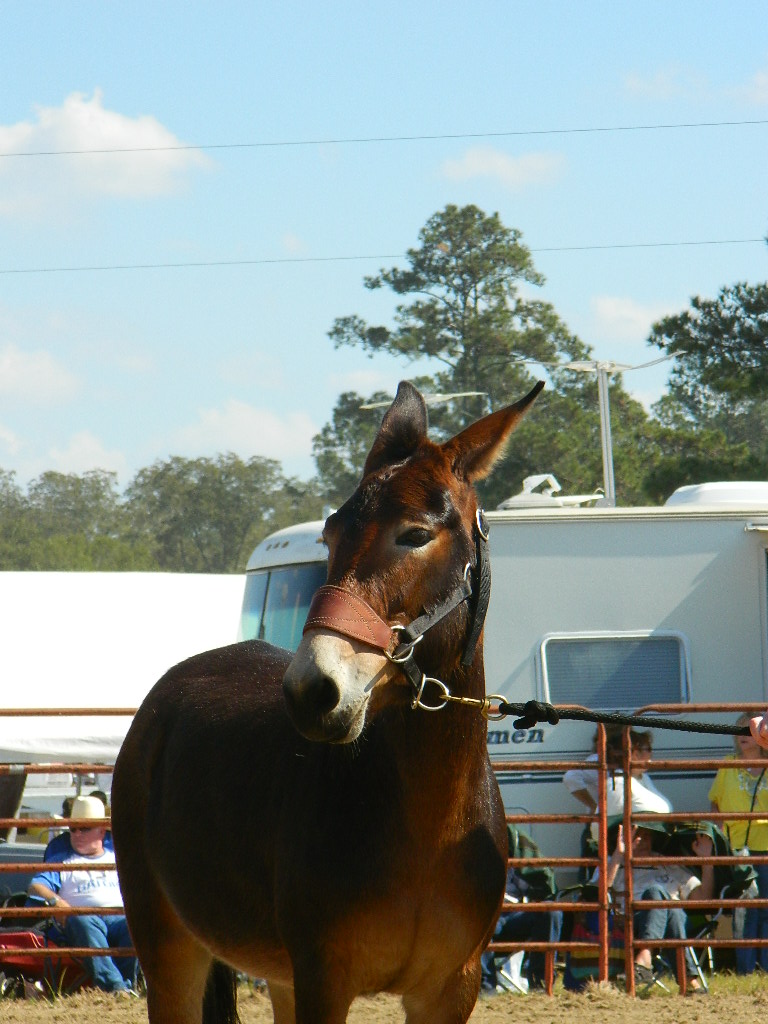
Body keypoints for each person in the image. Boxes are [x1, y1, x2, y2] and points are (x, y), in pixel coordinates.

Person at [27, 795, 136, 996]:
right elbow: (36, 886)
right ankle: (116, 989)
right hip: (81, 919)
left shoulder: (119, 857)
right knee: (82, 921)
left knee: (137, 924)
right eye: (72, 829)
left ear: (102, 831)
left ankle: (128, 986)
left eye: (84, 828)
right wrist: (56, 901)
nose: (77, 834)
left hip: (120, 917)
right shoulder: (61, 860)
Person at [603, 819, 714, 994]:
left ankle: (645, 956)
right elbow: (598, 895)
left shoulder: (668, 864)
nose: (642, 840)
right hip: (632, 922)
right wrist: (619, 854)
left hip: (673, 921)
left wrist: (706, 861)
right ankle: (689, 981)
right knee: (666, 904)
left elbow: (703, 898)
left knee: (665, 903)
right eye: (635, 835)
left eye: (647, 835)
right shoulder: (615, 863)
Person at [709, 713, 768, 974]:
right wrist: (720, 847)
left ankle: (765, 971)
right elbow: (716, 805)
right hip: (740, 851)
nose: (743, 734)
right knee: (745, 912)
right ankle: (745, 972)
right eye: (739, 730)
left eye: (749, 729)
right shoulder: (727, 765)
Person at [480, 828, 562, 994]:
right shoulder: (471, 854)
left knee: (551, 912)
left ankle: (540, 983)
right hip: (485, 915)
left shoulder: (517, 848)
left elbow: (542, 881)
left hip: (515, 915)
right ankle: (485, 987)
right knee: (480, 918)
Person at [563, 727, 672, 840]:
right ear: (634, 753)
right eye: (648, 749)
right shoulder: (615, 780)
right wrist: (593, 806)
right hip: (626, 846)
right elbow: (570, 777)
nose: (652, 754)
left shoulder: (643, 777)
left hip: (645, 842)